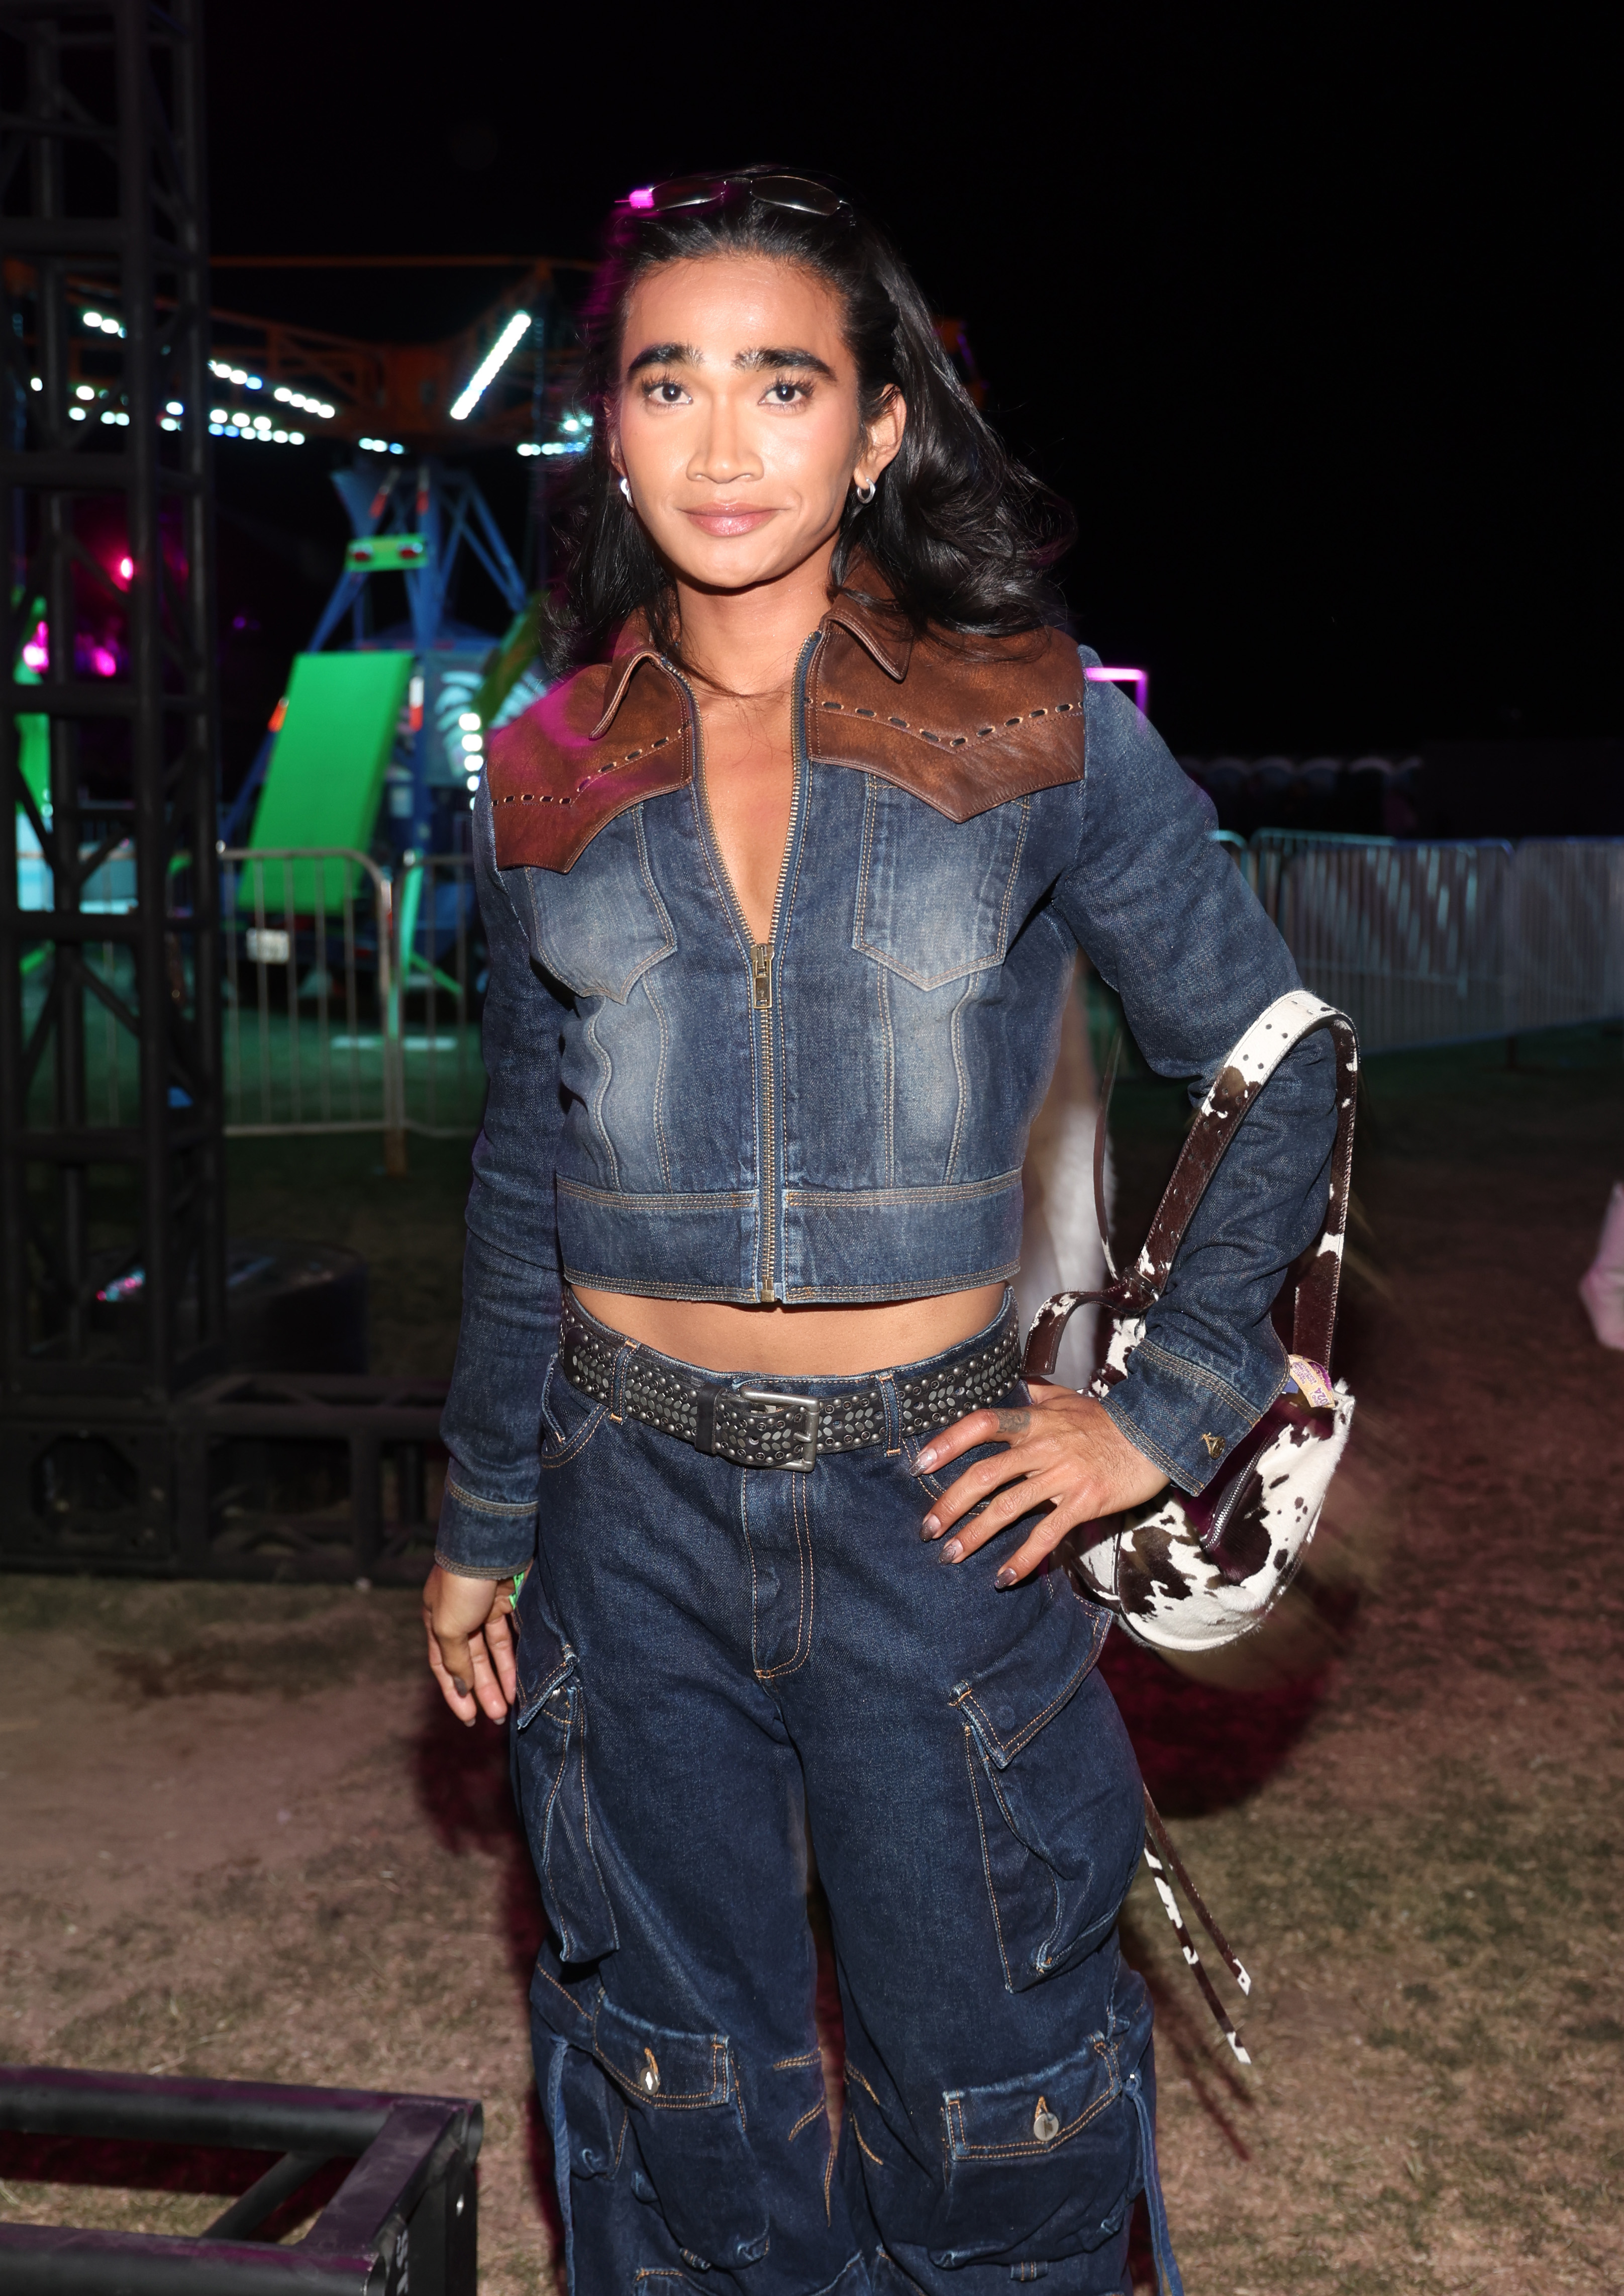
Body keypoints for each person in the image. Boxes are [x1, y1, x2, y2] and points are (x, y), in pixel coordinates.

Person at [422, 168, 1337, 2296]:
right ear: (614, 426)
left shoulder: (1032, 720)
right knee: (677, 2095)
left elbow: (1274, 1054)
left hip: (934, 1511)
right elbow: (521, 1162)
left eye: (782, 381)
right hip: (613, 1505)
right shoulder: (543, 764)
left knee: (993, 2093)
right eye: (670, 381)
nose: (723, 439)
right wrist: (478, 1505)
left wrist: (1165, 1401)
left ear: (877, 428)